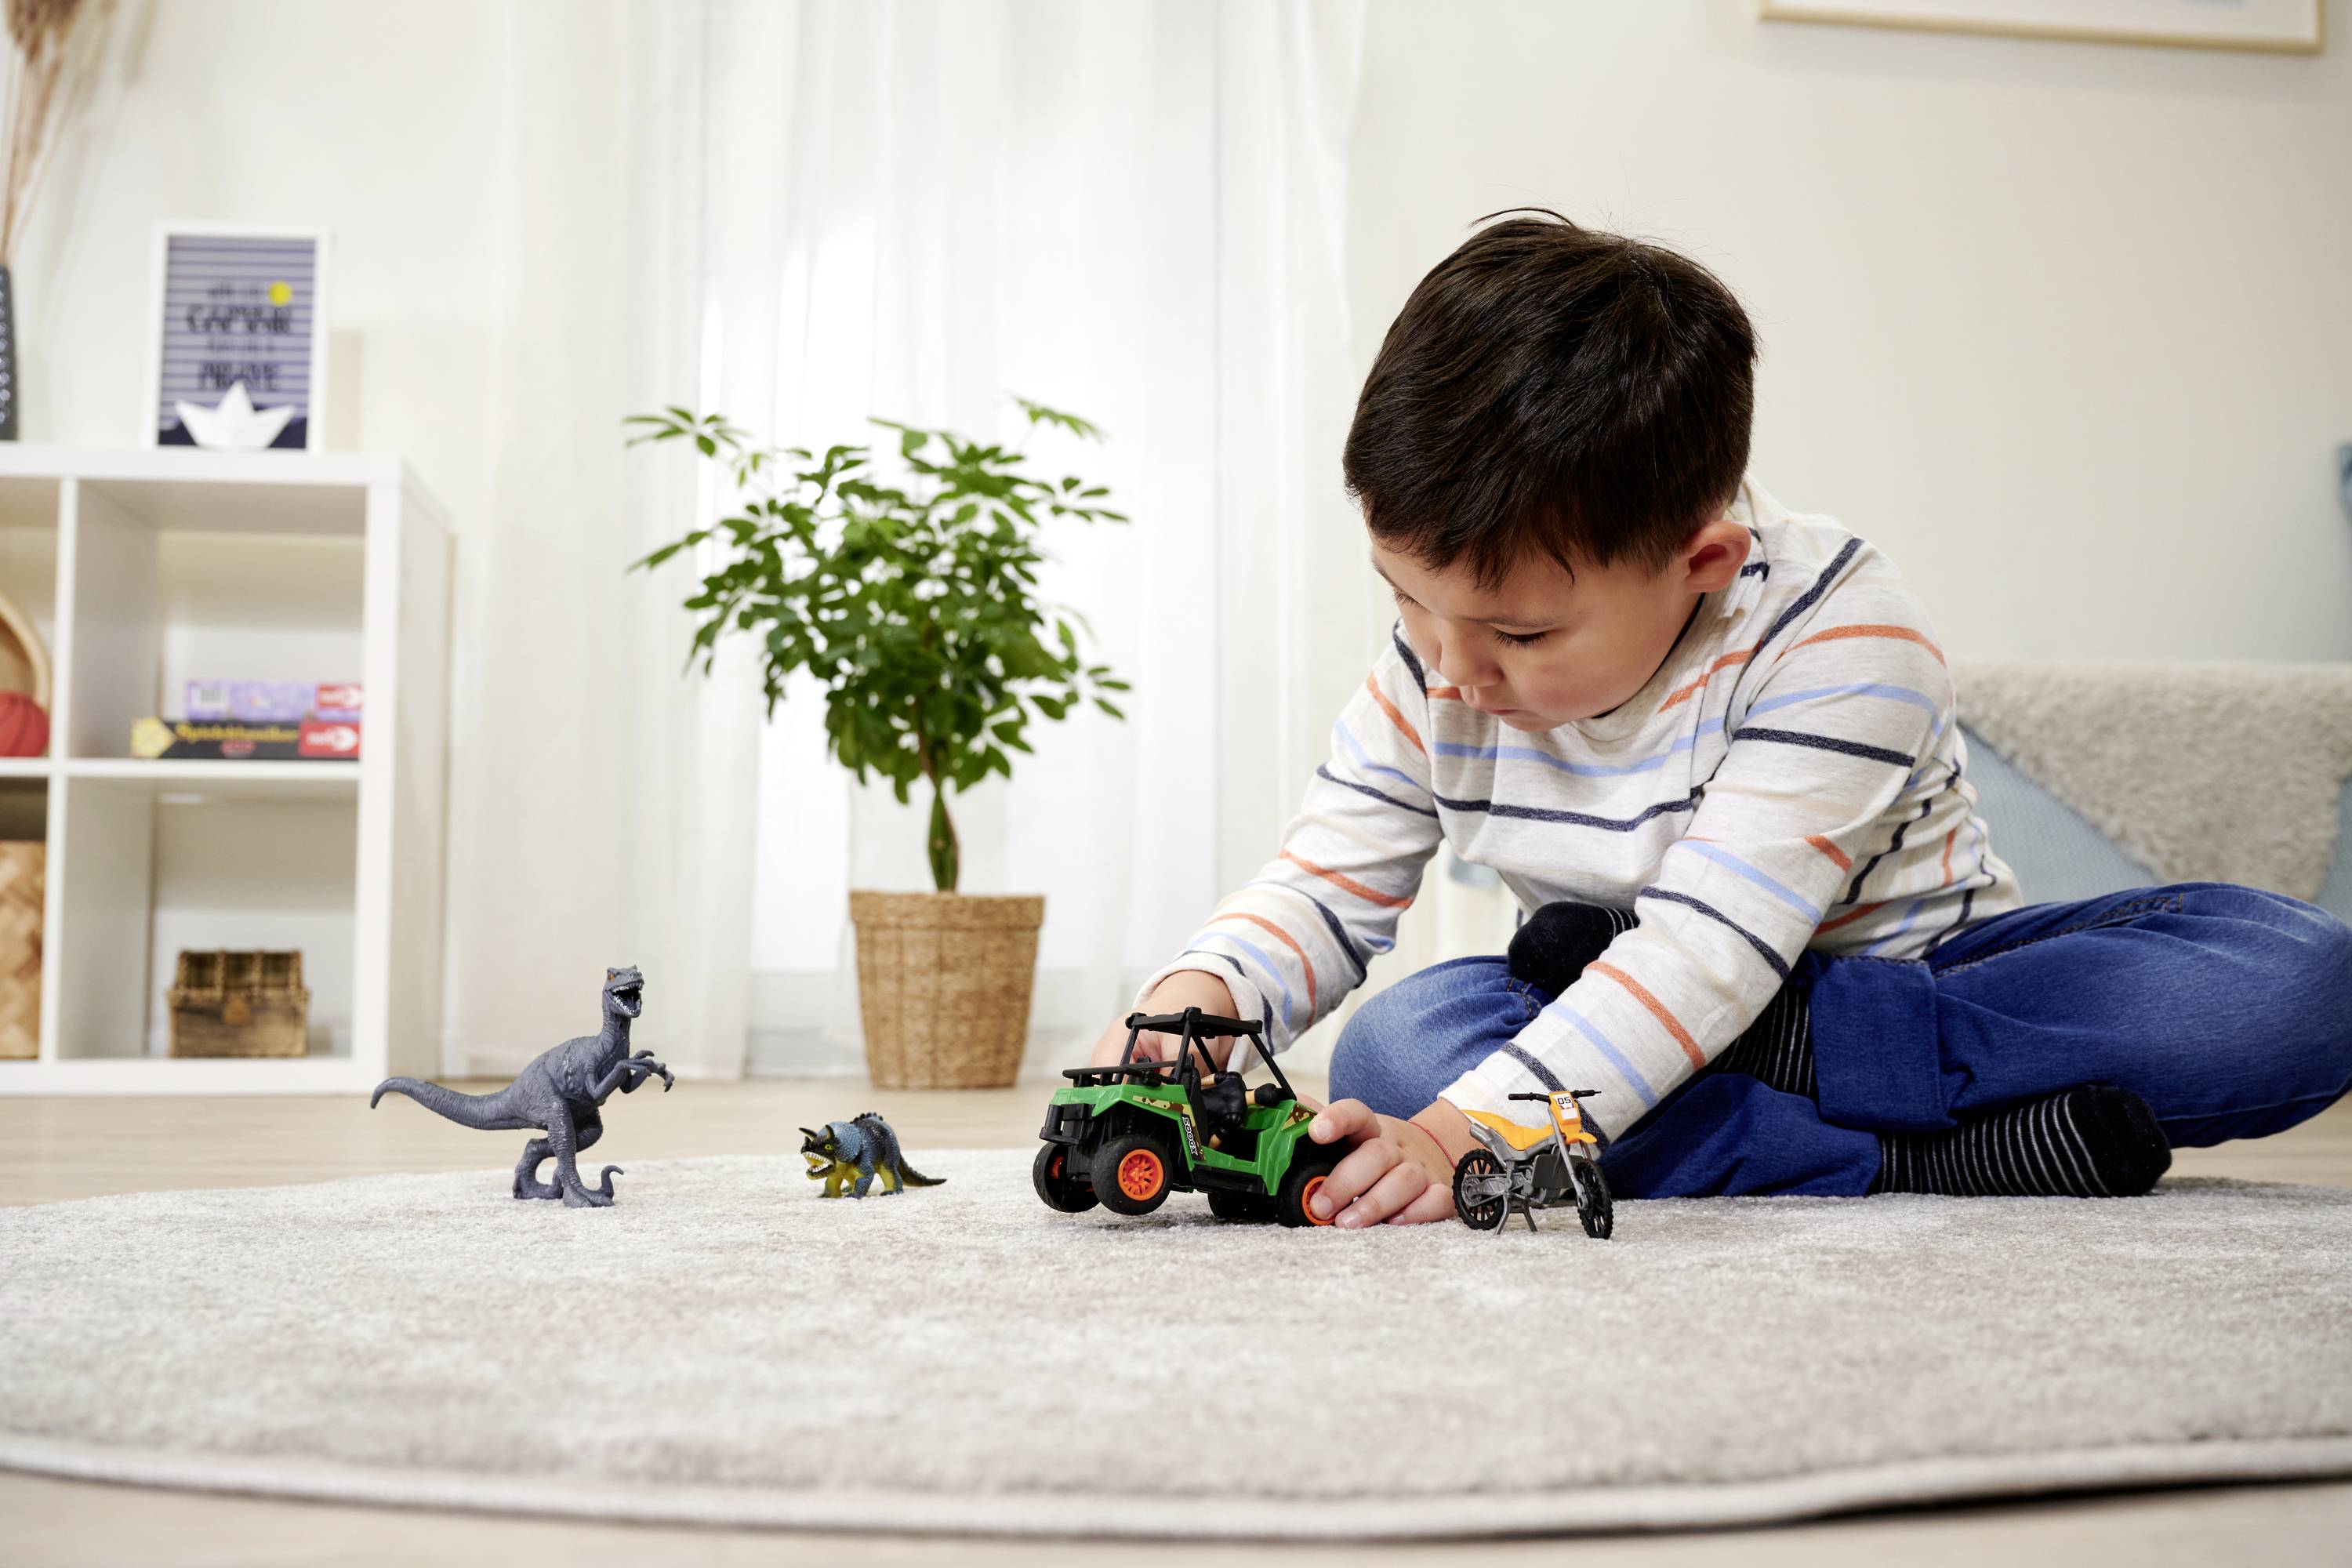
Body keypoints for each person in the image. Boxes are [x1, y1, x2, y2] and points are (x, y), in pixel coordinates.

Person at [1085, 211, 2352, 1226]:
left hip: (1914, 988)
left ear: (1702, 561)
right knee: (1401, 1059)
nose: (1448, 666)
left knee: (2293, 987)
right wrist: (1198, 1002)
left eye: (1519, 634)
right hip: (1612, 995)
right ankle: (1926, 1161)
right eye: (1406, 601)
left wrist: (1477, 1135)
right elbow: (1326, 876)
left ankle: (1801, 1105)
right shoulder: (1440, 653)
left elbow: (1707, 949)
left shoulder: (1844, 635)